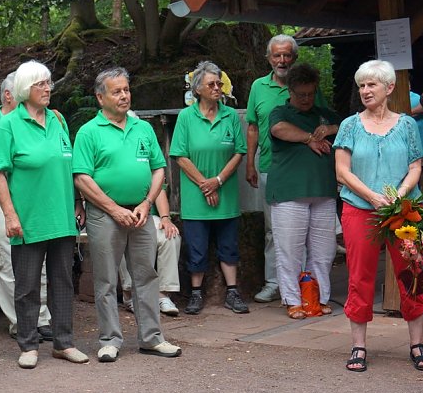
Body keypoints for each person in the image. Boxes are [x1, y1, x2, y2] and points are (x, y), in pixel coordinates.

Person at [73, 67, 182, 363]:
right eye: (117, 91)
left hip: (141, 212)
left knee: (146, 275)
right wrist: (113, 209)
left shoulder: (143, 128)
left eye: (126, 90)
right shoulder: (89, 132)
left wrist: (147, 203)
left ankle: (152, 338)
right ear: (100, 97)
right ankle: (109, 340)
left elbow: (159, 168)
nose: (124, 96)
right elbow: (81, 178)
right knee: (106, 280)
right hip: (105, 215)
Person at [333, 59, 423, 372]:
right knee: (360, 275)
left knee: (413, 271)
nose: (365, 91)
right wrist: (372, 196)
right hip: (359, 209)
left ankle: (417, 344)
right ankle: (358, 346)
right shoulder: (349, 125)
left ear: (389, 88)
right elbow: (341, 171)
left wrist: (398, 196)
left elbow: (415, 167)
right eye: (361, 85)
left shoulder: (406, 125)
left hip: (403, 210)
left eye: (371, 84)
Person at [0, 60, 89, 369]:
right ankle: (28, 344)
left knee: (63, 282)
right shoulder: (9, 124)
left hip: (61, 216)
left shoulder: (58, 120)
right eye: (40, 84)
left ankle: (64, 343)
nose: (48, 89)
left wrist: (77, 202)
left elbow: (68, 165)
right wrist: (9, 215)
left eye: (49, 83)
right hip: (28, 219)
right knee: (28, 285)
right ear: (24, 89)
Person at [246, 34, 327, 304]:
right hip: (271, 166)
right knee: (275, 231)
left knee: (307, 232)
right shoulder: (258, 86)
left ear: (295, 57)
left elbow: (327, 121)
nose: (282, 60)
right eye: (276, 55)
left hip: (306, 171)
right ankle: (275, 283)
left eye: (287, 55)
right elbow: (254, 127)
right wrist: (250, 163)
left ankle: (307, 288)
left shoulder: (310, 87)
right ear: (268, 58)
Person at [0, 71, 53, 341]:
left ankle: (41, 318)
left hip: (29, 200)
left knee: (37, 259)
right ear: (9, 94)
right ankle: (19, 320)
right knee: (5, 262)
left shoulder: (41, 120)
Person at [170, 61, 248, 315]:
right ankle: (195, 294)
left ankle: (233, 292)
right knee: (196, 246)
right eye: (211, 84)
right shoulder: (186, 116)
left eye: (219, 84)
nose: (217, 88)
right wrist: (205, 184)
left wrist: (218, 181)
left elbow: (239, 152)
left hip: (225, 193)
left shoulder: (230, 116)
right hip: (196, 195)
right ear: (197, 90)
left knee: (229, 244)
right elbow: (180, 155)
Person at [266, 64, 342, 319]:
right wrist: (309, 138)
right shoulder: (280, 112)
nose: (306, 99)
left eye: (310, 93)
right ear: (290, 91)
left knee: (324, 251)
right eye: (301, 94)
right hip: (289, 193)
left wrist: (330, 129)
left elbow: (348, 126)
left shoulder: (324, 114)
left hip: (323, 191)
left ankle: (317, 299)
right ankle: (293, 299)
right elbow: (278, 130)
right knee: (291, 250)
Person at [119, 187, 181, 317]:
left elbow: (159, 190)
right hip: (119, 216)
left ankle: (163, 295)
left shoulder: (147, 168)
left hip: (148, 217)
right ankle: (129, 294)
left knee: (170, 235)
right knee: (123, 239)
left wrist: (165, 218)